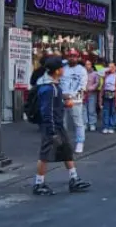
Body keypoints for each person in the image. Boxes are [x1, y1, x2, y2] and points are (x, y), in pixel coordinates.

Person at [34, 56, 93, 195]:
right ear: (56, 71)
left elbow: (54, 103)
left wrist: (65, 99)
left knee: (66, 150)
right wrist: (52, 131)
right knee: (45, 154)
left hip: (58, 124)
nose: (63, 69)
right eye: (61, 67)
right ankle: (38, 183)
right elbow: (47, 111)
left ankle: (74, 178)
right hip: (52, 126)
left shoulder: (53, 84)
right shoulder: (49, 88)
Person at [59, 49, 88, 153]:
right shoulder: (63, 68)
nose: (72, 58)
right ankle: (64, 143)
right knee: (61, 123)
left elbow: (82, 87)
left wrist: (72, 97)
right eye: (70, 56)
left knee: (78, 122)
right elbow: (59, 82)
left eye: (74, 56)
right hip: (62, 98)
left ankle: (80, 142)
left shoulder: (82, 70)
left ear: (78, 57)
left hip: (75, 100)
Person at [100, 62, 116, 134]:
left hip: (114, 95)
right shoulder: (106, 76)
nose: (111, 68)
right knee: (106, 111)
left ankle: (111, 126)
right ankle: (106, 126)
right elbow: (99, 72)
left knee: (113, 111)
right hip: (106, 95)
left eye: (112, 67)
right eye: (109, 67)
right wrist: (107, 69)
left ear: (115, 68)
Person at [84, 60, 101, 131]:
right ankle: (85, 123)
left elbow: (97, 83)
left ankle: (92, 124)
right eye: (86, 64)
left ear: (91, 65)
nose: (87, 66)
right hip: (83, 93)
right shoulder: (82, 73)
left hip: (92, 93)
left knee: (91, 109)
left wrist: (90, 88)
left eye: (89, 64)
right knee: (83, 110)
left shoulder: (95, 73)